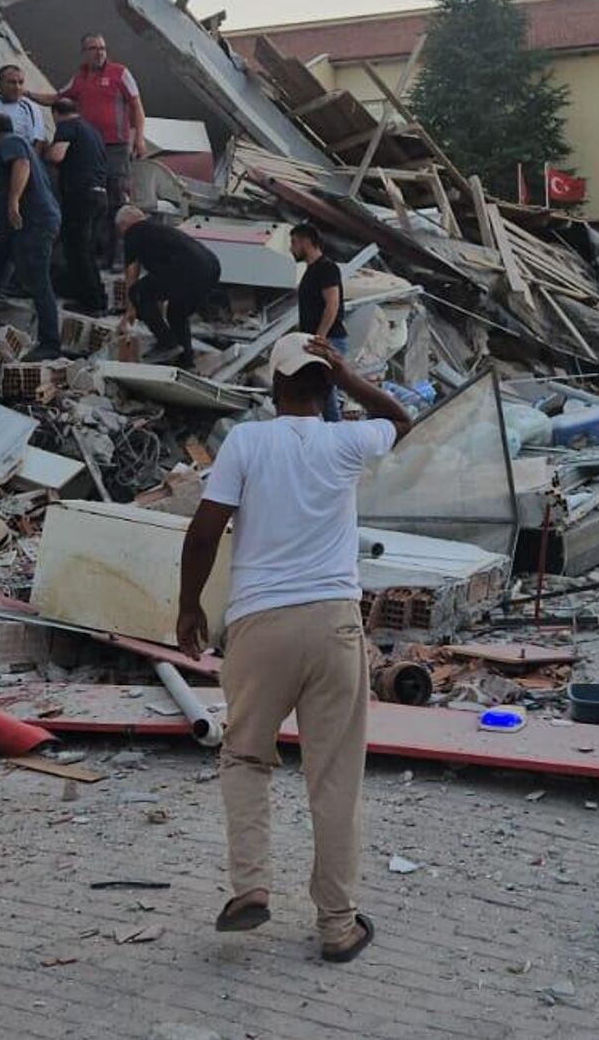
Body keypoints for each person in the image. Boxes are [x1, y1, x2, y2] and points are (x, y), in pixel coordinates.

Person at [175, 334, 415, 964]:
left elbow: (203, 533)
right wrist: (349, 373)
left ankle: (252, 886)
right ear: (326, 388)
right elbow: (400, 419)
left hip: (260, 625)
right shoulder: (346, 442)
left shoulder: (247, 442)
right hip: (335, 626)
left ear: (275, 385)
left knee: (245, 756)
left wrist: (189, 605)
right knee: (334, 776)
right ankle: (337, 925)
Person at [29, 34, 146, 264]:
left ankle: (121, 255)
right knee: (95, 200)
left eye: (102, 47)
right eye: (93, 48)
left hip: (115, 146)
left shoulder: (120, 73)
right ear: (84, 52)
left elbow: (136, 105)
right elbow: (57, 97)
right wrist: (28, 94)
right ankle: (99, 252)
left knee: (117, 197)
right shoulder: (79, 78)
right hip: (91, 148)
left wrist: (139, 138)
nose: (99, 52)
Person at [0, 115, 62, 358]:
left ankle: (50, 343)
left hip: (34, 223)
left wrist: (13, 202)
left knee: (38, 281)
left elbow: (21, 164)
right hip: (24, 225)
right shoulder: (14, 148)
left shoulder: (11, 142)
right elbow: (0, 194)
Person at [118, 205, 220, 365]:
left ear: (124, 224)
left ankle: (167, 343)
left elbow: (132, 270)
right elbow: (160, 284)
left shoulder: (134, 232)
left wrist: (131, 307)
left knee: (138, 292)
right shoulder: (158, 230)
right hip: (210, 268)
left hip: (187, 269)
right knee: (176, 313)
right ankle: (185, 360)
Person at [45, 96, 109, 315]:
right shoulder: (92, 131)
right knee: (87, 251)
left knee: (77, 251)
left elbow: (57, 155)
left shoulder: (67, 127)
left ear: (55, 114)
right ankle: (95, 297)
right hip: (100, 195)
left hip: (81, 196)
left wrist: (43, 151)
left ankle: (91, 302)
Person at [291, 223, 349, 421]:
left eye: (294, 243)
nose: (291, 248)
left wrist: (320, 337)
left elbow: (332, 304)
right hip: (317, 339)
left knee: (324, 393)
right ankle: (325, 428)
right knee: (319, 392)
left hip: (329, 340)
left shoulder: (327, 268)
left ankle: (333, 430)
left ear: (306, 242)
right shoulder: (312, 270)